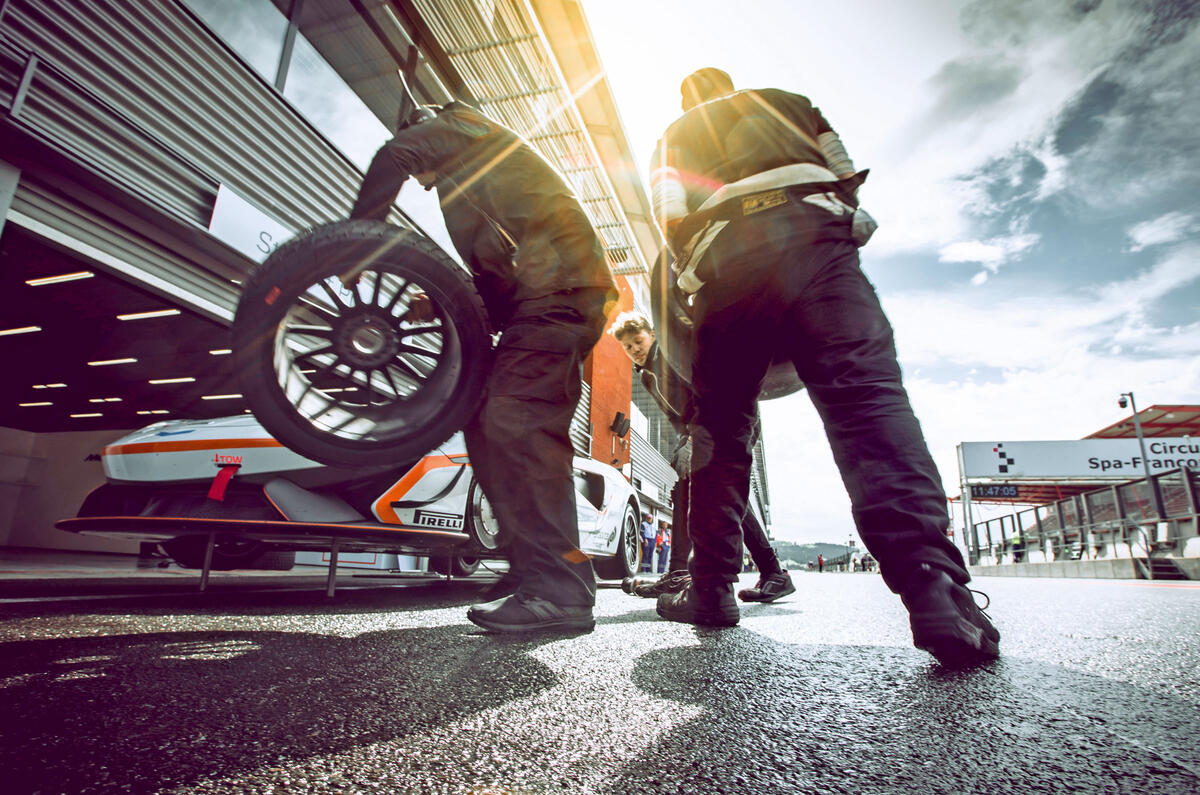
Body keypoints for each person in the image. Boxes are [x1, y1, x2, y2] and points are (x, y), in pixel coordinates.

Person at [649, 68, 999, 666]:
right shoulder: (791, 102)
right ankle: (933, 588)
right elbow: (844, 172)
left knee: (721, 435)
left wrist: (697, 266)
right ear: (729, 84)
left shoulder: (675, 134)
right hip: (815, 246)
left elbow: (669, 214)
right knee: (868, 408)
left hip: (726, 264)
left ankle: (709, 590)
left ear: (688, 99)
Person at [351, 92, 616, 633]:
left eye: (424, 170)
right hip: (542, 299)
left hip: (563, 294)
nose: (423, 183)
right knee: (483, 418)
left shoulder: (462, 129)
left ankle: (561, 589)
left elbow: (393, 156)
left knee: (518, 421)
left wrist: (358, 241)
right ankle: (535, 572)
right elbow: (501, 282)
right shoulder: (469, 180)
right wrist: (447, 299)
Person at [610, 310, 794, 603]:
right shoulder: (647, 376)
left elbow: (705, 393)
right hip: (702, 430)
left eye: (638, 341)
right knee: (713, 494)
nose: (634, 350)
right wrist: (685, 441)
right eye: (627, 346)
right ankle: (769, 573)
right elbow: (676, 415)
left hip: (729, 418)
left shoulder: (670, 358)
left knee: (716, 492)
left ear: (652, 335)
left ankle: (682, 572)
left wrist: (694, 439)